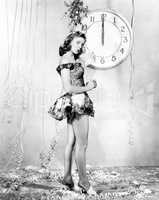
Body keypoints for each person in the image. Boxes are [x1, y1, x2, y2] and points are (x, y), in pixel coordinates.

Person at [48, 31, 97, 194]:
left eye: (82, 44)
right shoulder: (66, 59)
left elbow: (85, 71)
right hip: (76, 102)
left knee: (72, 142)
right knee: (82, 145)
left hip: (77, 101)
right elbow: (68, 87)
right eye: (77, 43)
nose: (80, 46)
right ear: (69, 42)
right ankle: (84, 182)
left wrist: (87, 61)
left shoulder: (76, 59)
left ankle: (68, 178)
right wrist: (88, 87)